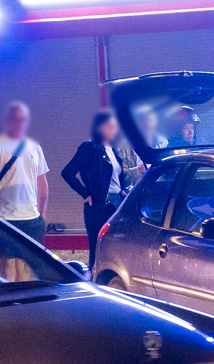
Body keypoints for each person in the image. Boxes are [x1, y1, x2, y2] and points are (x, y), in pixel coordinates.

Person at [61, 111, 127, 269]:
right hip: (98, 206)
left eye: (115, 127)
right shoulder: (89, 148)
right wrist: (85, 193)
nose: (114, 130)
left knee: (115, 248)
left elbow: (116, 178)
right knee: (98, 248)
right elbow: (67, 172)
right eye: (110, 126)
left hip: (117, 204)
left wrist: (123, 189)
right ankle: (95, 281)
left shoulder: (113, 148)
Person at [0, 102, 49, 281]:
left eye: (23, 119)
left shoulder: (35, 148)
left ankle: (25, 308)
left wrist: (41, 217)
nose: (20, 123)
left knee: (27, 271)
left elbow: (42, 183)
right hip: (7, 220)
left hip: (31, 220)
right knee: (8, 271)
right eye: (16, 119)